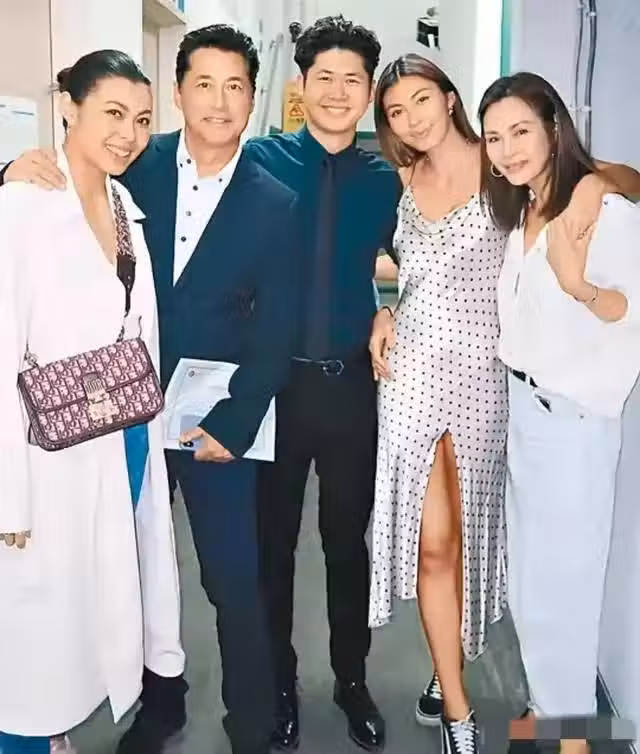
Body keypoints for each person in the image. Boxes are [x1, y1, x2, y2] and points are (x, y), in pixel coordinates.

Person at [1, 25, 300, 754]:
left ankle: (251, 725)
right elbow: (55, 211)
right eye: (204, 84)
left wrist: (236, 420)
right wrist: (8, 166)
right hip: (109, 421)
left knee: (232, 579)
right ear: (179, 92)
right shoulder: (137, 165)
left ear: (254, 97)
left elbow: (278, 326)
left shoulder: (275, 198)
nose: (219, 102)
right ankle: (157, 706)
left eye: (236, 87)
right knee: (124, 567)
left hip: (211, 419)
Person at [367, 55, 640, 754]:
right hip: (432, 380)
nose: (411, 119)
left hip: (506, 390)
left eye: (421, 99)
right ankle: (473, 707)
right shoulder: (416, 179)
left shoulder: (513, 179)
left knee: (536, 571)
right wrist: (381, 312)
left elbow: (621, 181)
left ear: (448, 98)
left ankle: (563, 729)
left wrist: (591, 194)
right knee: (462, 555)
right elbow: (391, 263)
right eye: (395, 111)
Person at [0, 50, 182, 754]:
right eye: (112, 113)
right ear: (69, 108)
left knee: (88, 598)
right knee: (33, 615)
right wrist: (8, 498)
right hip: (42, 449)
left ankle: (56, 732)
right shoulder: (22, 207)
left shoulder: (125, 207)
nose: (128, 134)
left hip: (119, 436)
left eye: (141, 119)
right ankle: (27, 733)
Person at [247, 16, 400, 751]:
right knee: (271, 545)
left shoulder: (386, 178)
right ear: (301, 85)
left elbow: (429, 257)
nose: (338, 92)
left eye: (353, 80)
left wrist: (392, 312)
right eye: (325, 78)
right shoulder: (259, 160)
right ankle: (279, 684)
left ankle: (351, 680)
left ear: (368, 92)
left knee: (346, 543)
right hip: (275, 390)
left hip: (350, 392)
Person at [480, 71, 640, 754]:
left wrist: (578, 286)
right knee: (531, 590)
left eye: (520, 130)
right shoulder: (523, 211)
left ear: (553, 127)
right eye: (494, 138)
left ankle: (571, 739)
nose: (508, 148)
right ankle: (552, 719)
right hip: (525, 413)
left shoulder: (602, 212)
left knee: (565, 594)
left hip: (573, 424)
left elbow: (629, 308)